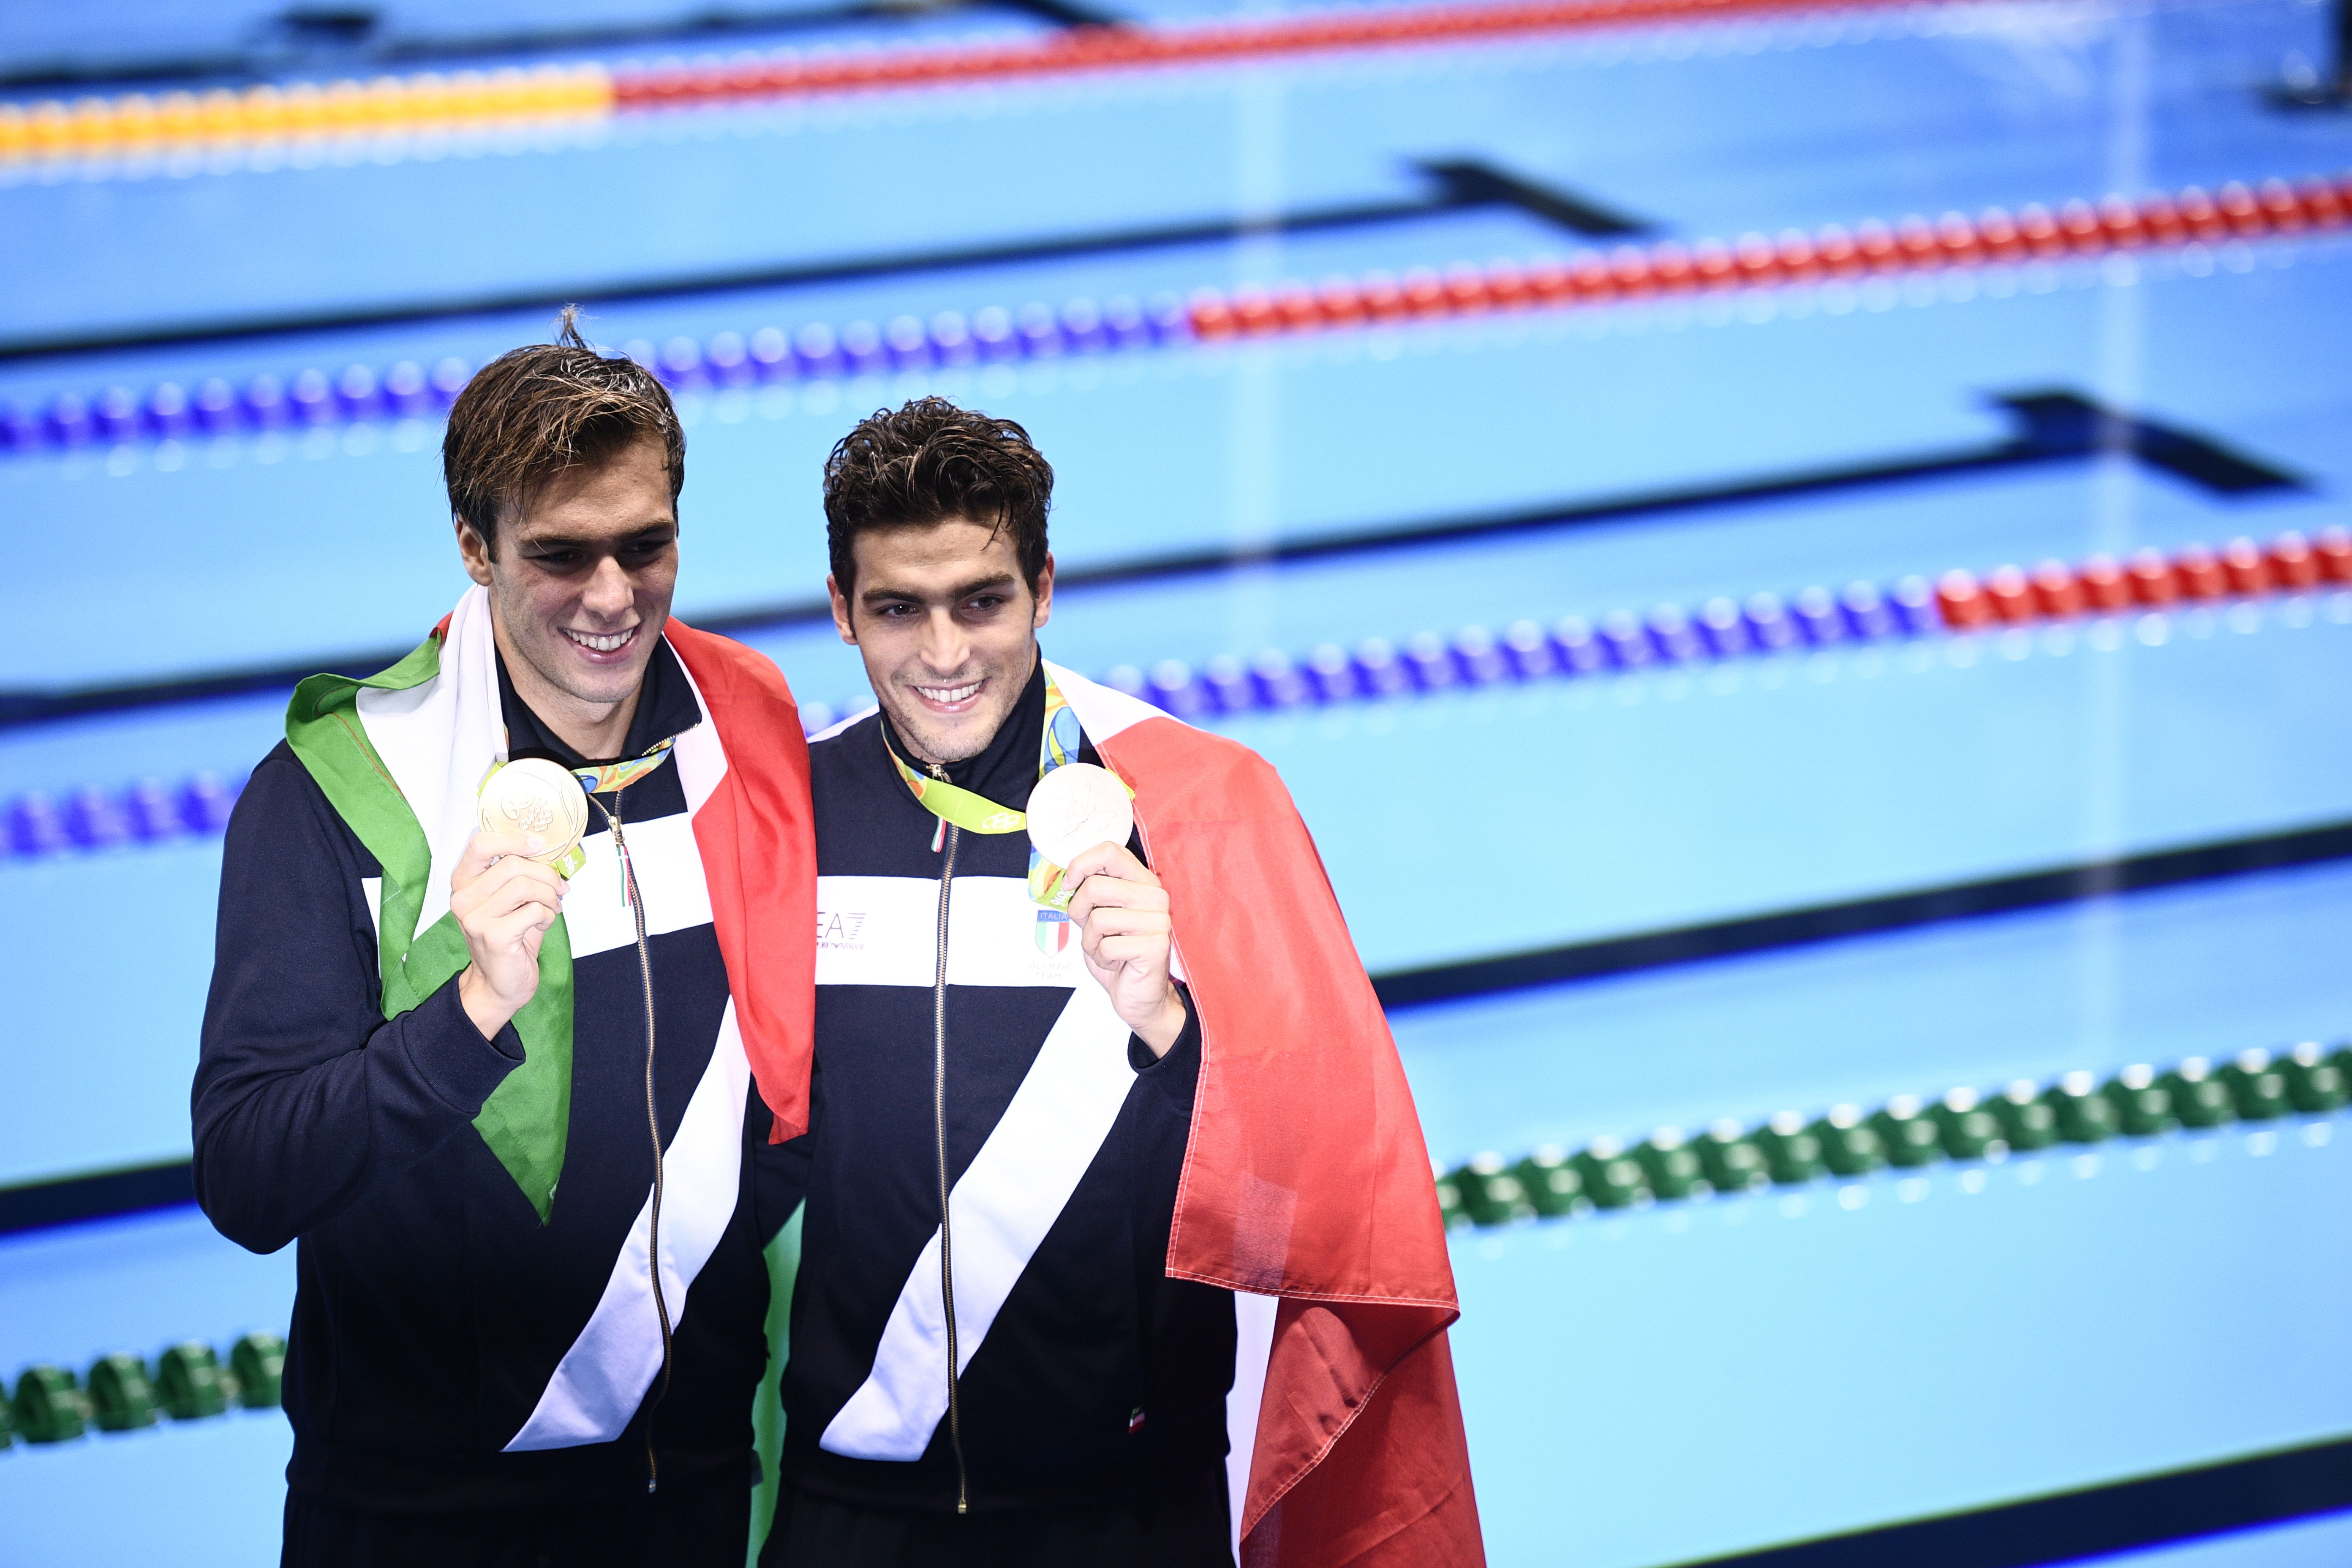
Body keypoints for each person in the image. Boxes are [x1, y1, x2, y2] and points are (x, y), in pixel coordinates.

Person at [760, 397, 1482, 1567]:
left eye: (982, 602)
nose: (944, 654)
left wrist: (1171, 1031)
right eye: (899, 609)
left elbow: (1313, 1212)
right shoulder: (793, 819)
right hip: (851, 1514)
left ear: (1044, 589)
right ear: (842, 612)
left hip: (1128, 1512)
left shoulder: (1203, 813)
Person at [193, 313, 817, 1567]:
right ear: (474, 550)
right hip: (423, 1520)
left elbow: (791, 1070)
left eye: (646, 547)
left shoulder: (742, 725)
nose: (611, 597)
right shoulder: (336, 794)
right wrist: (470, 1014)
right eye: (561, 556)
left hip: (693, 1495)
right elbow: (252, 1179)